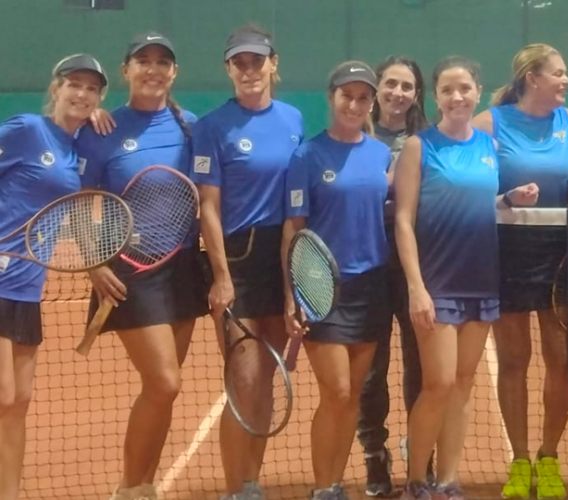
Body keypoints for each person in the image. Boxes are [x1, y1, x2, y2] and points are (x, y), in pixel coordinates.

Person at [394, 56, 538, 500]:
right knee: (437, 383)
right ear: (435, 97)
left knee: (462, 384)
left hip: (480, 278)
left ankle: (449, 480)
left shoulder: (488, 146)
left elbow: (474, 200)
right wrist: (416, 288)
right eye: (447, 90)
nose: (457, 97)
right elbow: (403, 220)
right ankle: (417, 480)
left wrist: (508, 198)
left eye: (464, 89)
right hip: (437, 283)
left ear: (478, 92)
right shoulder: (418, 146)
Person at [76, 32, 207, 500]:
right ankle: (128, 488)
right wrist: (94, 263)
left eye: (162, 62)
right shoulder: (102, 130)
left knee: (164, 389)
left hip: (183, 267)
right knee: (165, 382)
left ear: (174, 72)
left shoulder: (191, 128)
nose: (153, 69)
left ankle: (144, 486)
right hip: (130, 270)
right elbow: (80, 202)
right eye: (143, 60)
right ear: (126, 70)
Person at [190, 25, 303, 500]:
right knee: (245, 379)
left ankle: (251, 483)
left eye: (257, 61)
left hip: (284, 254)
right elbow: (208, 207)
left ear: (273, 64)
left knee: (269, 378)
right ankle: (236, 488)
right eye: (240, 63)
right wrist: (221, 276)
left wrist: (296, 277)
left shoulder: (294, 119)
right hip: (237, 258)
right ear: (229, 69)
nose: (249, 70)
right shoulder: (212, 127)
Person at [469, 43, 568, 500]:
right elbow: (465, 180)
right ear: (532, 78)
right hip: (507, 252)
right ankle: (519, 462)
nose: (566, 80)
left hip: (561, 255)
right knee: (514, 360)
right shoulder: (488, 124)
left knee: (564, 361)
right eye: (558, 73)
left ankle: (549, 457)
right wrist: (505, 198)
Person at [283, 61, 392, 500]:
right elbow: (294, 228)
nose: (354, 104)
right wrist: (292, 292)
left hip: (371, 289)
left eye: (363, 97)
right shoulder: (306, 156)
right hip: (321, 288)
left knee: (353, 396)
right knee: (337, 391)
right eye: (347, 95)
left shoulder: (381, 154)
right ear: (332, 98)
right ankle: (322, 486)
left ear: (372, 104)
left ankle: (334, 485)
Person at [0, 54, 107, 500]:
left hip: (28, 288)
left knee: (18, 402)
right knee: (3, 396)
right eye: (74, 84)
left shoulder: (78, 149)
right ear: (56, 88)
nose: (82, 93)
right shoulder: (27, 130)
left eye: (91, 88)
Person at [356, 55, 430, 497]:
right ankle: (374, 453)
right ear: (377, 88)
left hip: (416, 263)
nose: (398, 93)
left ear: (417, 94)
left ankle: (420, 453)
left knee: (421, 365)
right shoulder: (354, 136)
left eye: (407, 86)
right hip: (366, 264)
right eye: (390, 83)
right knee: (370, 368)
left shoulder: (428, 140)